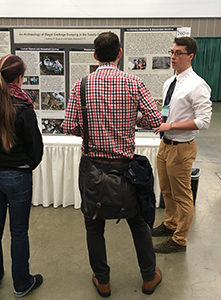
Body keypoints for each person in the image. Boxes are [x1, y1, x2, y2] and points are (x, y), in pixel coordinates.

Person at [62, 32, 162, 297]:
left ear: (95, 56)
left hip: (93, 167)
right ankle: (149, 277)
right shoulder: (134, 82)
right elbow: (155, 120)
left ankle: (103, 281)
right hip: (126, 168)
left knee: (93, 224)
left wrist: (92, 130)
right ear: (119, 53)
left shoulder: (81, 85)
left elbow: (69, 126)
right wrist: (132, 122)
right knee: (138, 222)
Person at [0, 54, 44, 297]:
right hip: (17, 176)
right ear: (19, 77)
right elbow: (35, 148)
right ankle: (22, 283)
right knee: (19, 231)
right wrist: (27, 166)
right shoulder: (24, 106)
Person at [153, 37, 212, 253]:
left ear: (191, 56)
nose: (173, 57)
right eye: (172, 52)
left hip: (182, 147)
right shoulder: (171, 82)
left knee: (182, 195)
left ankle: (179, 240)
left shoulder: (197, 85)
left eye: (178, 53)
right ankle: (170, 224)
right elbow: (167, 111)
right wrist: (163, 123)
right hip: (165, 145)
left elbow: (204, 121)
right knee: (166, 190)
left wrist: (172, 126)